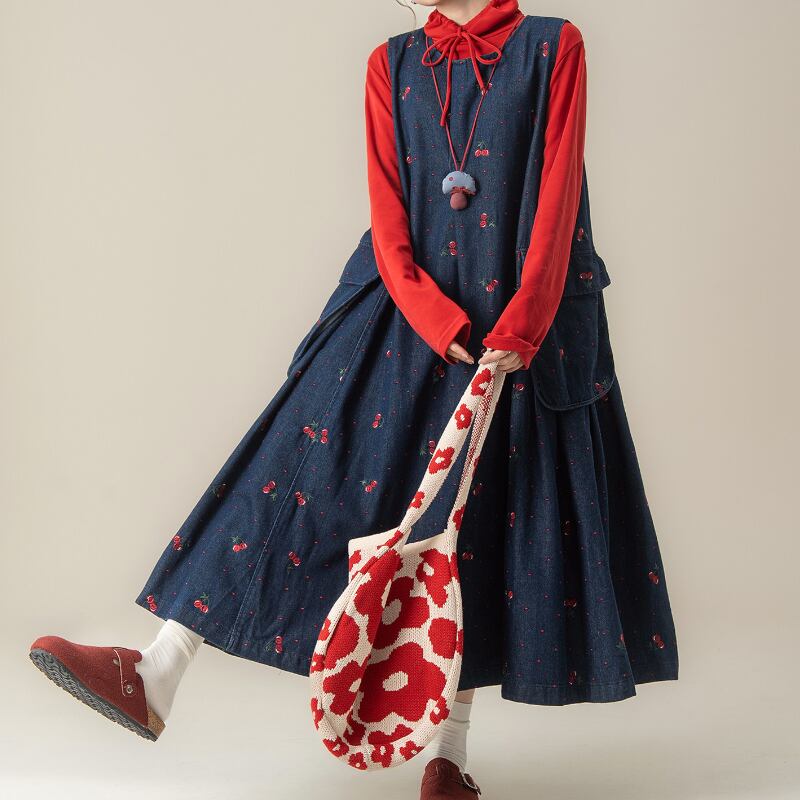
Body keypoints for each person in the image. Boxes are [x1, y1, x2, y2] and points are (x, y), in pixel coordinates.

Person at [29, 1, 679, 797]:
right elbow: (387, 210)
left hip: (520, 319)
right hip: (403, 309)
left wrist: (527, 320)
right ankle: (158, 669)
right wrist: (434, 316)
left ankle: (448, 759)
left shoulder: (554, 46)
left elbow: (559, 193)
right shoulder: (391, 62)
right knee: (295, 475)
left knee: (484, 523)